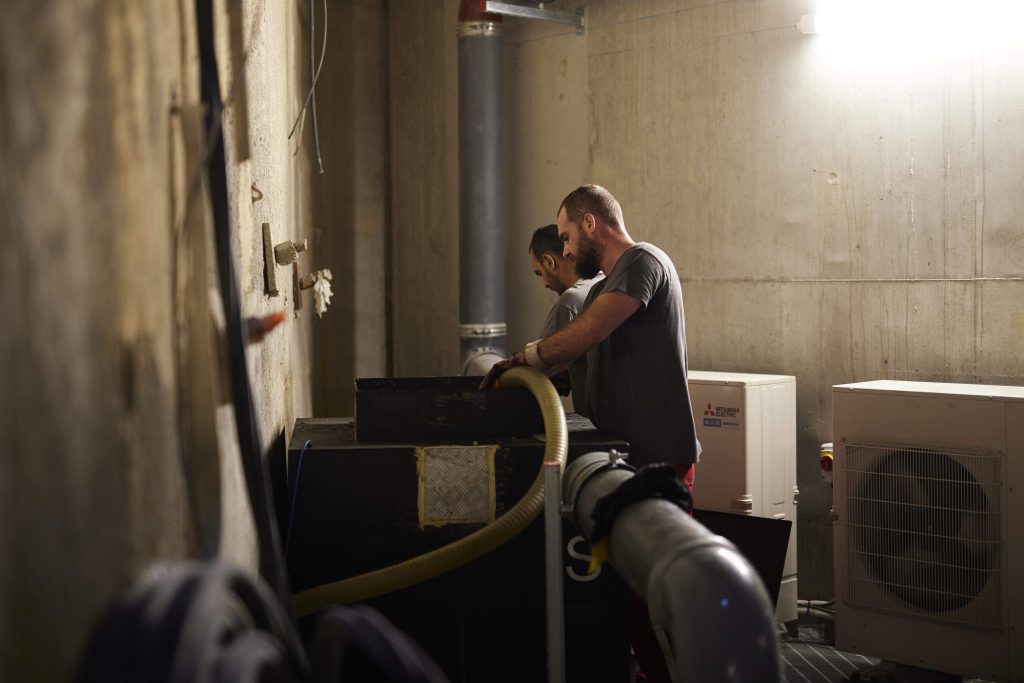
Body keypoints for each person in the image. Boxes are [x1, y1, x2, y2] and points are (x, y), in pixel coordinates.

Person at [483, 185, 700, 683]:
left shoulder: (644, 261)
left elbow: (589, 333)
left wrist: (525, 358)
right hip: (624, 464)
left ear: (588, 224)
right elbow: (582, 361)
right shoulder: (602, 289)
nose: (563, 251)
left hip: (659, 462)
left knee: (660, 605)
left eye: (564, 236)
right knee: (631, 606)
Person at [528, 224, 603, 417]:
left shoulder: (570, 301)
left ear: (549, 261)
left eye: (540, 273)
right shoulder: (607, 285)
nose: (544, 283)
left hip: (596, 424)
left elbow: (534, 375)